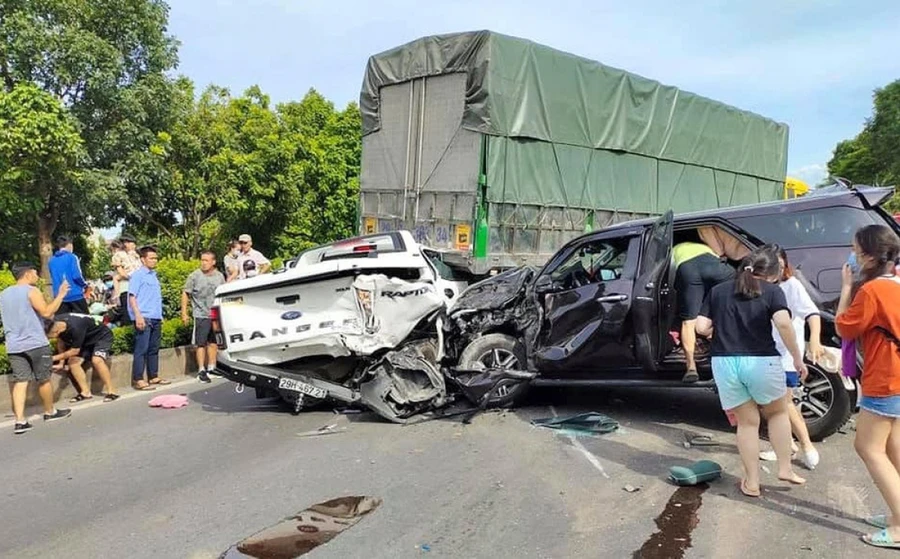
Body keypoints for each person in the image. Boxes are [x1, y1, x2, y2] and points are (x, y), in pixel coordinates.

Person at [695, 246, 808, 496]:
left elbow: (702, 327)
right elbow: (782, 323)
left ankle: (752, 482)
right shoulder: (772, 291)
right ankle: (785, 468)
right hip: (761, 361)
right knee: (777, 414)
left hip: (724, 363)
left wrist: (721, 331)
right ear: (772, 273)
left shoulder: (718, 291)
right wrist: (798, 358)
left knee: (746, 424)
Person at [834, 224, 900, 549]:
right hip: (898, 377)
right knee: (892, 447)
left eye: (856, 250)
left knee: (868, 447)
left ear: (870, 256)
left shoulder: (873, 291)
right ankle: (896, 513)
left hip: (886, 377)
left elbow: (845, 327)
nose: (853, 256)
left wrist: (847, 288)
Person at [758, 246, 824, 469]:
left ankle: (806, 445)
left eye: (780, 262)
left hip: (786, 356)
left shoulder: (791, 286)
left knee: (783, 403)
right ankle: (788, 445)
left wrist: (814, 339)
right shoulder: (761, 287)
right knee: (769, 405)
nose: (778, 267)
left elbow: (812, 313)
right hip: (764, 354)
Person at [0, 262, 72, 434]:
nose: (37, 276)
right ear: (27, 274)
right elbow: (47, 312)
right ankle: (50, 411)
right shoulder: (31, 291)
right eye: (35, 272)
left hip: (14, 345)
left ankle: (20, 421)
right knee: (44, 378)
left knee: (21, 381)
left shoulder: (4, 294)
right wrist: (60, 295)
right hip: (35, 342)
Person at [672, 241, 736, 382]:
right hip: (715, 267)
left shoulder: (674, 249)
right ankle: (725, 364)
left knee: (688, 322)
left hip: (687, 269)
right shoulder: (707, 247)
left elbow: (674, 281)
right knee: (725, 316)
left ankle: (691, 368)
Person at [46, 313, 119, 402]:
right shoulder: (57, 322)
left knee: (97, 360)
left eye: (50, 337)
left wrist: (53, 358)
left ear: (56, 332)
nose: (49, 339)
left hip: (101, 336)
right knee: (72, 363)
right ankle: (85, 392)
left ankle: (112, 391)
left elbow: (74, 351)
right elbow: (61, 343)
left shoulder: (76, 327)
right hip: (85, 340)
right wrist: (61, 363)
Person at [128, 246, 170, 390]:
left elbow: (155, 298)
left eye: (155, 258)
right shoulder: (138, 275)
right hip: (143, 316)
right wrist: (137, 315)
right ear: (143, 259)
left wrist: (160, 315)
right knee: (142, 349)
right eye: (151, 258)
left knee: (153, 349)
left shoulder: (153, 275)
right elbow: (132, 296)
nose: (154, 260)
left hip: (155, 316)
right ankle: (138, 378)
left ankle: (153, 376)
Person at [182, 250, 225, 383]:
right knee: (200, 343)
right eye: (202, 260)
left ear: (213, 262)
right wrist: (184, 312)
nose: (204, 263)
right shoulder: (194, 276)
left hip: (215, 314)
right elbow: (185, 293)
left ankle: (212, 367)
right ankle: (201, 369)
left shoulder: (219, 276)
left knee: (213, 342)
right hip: (201, 314)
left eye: (207, 260)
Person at [49, 235, 90, 314]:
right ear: (70, 245)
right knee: (85, 321)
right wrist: (85, 285)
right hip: (75, 295)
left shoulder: (51, 261)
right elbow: (77, 276)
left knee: (63, 322)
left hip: (60, 297)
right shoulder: (72, 257)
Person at [112, 235, 141, 325]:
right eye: (132, 243)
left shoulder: (136, 255)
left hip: (138, 286)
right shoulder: (118, 255)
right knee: (127, 312)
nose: (134, 245)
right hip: (126, 286)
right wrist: (130, 277)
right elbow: (120, 271)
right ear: (126, 243)